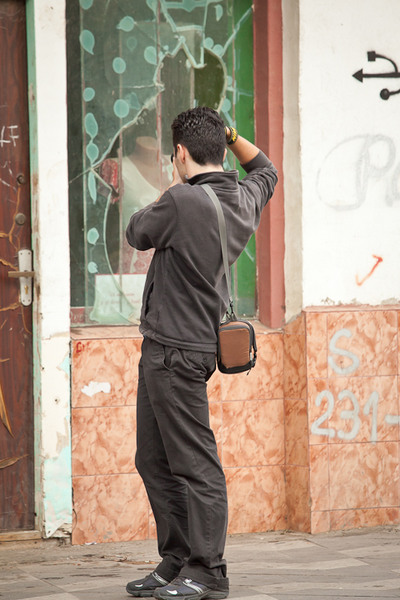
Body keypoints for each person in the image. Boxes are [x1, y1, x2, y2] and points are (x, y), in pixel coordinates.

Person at [125, 106, 278, 600]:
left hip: (174, 352)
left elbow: (135, 231)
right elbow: (266, 169)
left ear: (180, 153)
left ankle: (208, 570)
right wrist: (229, 134)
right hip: (186, 348)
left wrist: (176, 182)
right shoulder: (245, 197)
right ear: (221, 146)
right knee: (153, 459)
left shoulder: (179, 200)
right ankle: (178, 558)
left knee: (194, 464)